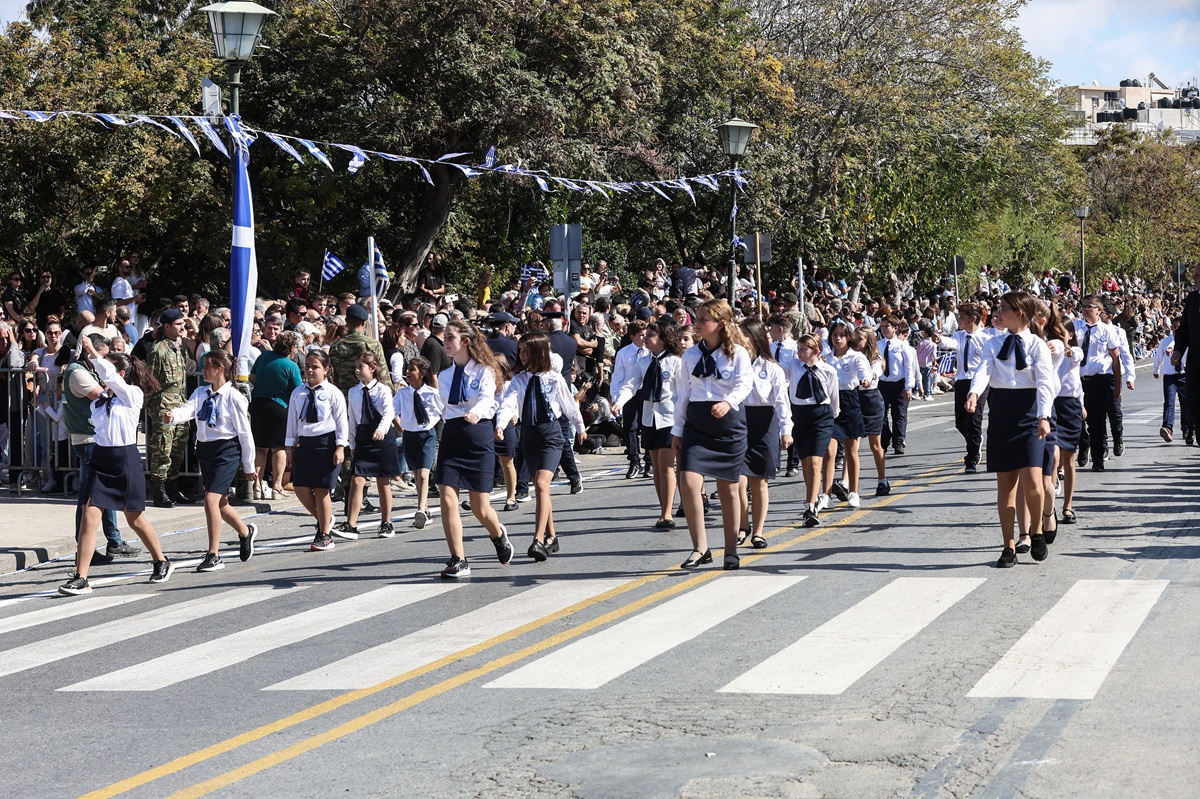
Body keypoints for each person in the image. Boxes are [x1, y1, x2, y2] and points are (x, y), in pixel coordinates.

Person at [58, 338, 174, 595]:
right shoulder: (99, 401)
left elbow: (109, 376)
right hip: (102, 458)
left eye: (107, 370)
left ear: (120, 374)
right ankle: (81, 577)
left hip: (125, 459)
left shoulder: (133, 395)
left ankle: (161, 560)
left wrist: (91, 351)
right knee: (89, 516)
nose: (101, 374)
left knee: (135, 518)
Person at [966, 291, 1055, 568]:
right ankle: (1009, 546)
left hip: (1029, 413)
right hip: (1002, 412)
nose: (998, 312)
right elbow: (983, 370)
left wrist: (1044, 416)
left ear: (1019, 313)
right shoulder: (994, 343)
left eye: (1003, 308)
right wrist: (974, 393)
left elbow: (1045, 383)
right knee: (1005, 484)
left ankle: (1037, 531)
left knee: (1033, 481)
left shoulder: (1037, 346)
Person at [672, 299, 753, 571]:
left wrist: (728, 402)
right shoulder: (691, 356)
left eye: (703, 319)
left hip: (727, 424)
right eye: (697, 318)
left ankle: (731, 550)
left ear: (719, 323)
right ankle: (700, 548)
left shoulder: (737, 353)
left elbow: (744, 385)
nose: (696, 323)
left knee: (728, 489)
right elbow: (683, 394)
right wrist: (677, 429)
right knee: (689, 482)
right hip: (696, 424)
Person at [165, 349, 259, 571]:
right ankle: (246, 532)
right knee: (221, 502)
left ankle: (213, 554)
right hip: (206, 450)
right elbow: (189, 410)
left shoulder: (234, 397)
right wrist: (173, 416)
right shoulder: (200, 392)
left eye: (208, 366)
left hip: (226, 451)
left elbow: (245, 433)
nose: (204, 369)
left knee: (210, 499)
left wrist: (248, 464)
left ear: (221, 369)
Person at [433, 320, 513, 578]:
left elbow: (488, 399)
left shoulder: (484, 371)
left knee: (480, 507)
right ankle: (458, 558)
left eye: (450, 337)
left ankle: (498, 534)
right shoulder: (444, 376)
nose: (445, 342)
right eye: (444, 337)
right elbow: (442, 407)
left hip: (477, 434)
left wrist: (476, 413)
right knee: (447, 497)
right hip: (453, 436)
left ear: (465, 341)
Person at [497, 331, 584, 560]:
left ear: (537, 351)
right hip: (529, 435)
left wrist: (581, 427)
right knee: (539, 485)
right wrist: (500, 424)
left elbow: (569, 406)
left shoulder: (554, 378)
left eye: (526, 350)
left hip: (551, 434)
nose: (522, 355)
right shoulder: (519, 379)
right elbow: (508, 404)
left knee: (542, 485)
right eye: (520, 351)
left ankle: (537, 539)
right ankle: (552, 536)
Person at [61, 333, 138, 558]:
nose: (104, 362)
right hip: (87, 440)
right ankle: (84, 547)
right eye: (102, 356)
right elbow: (102, 396)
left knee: (103, 493)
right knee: (88, 496)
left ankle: (113, 540)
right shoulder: (77, 373)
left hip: (96, 438)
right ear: (90, 353)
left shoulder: (86, 369)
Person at [615, 321, 682, 530]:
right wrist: (619, 401)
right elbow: (631, 384)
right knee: (655, 465)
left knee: (666, 464)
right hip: (649, 416)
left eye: (651, 334)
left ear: (662, 338)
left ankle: (668, 512)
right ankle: (663, 509)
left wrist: (684, 420)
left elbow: (683, 394)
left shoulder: (675, 362)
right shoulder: (643, 361)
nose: (646, 338)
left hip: (669, 417)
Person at [285, 349, 350, 552]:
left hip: (326, 443)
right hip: (305, 444)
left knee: (322, 489)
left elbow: (341, 422)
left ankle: (324, 534)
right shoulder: (298, 392)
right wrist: (289, 448)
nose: (310, 371)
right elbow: (292, 422)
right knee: (300, 487)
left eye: (315, 367)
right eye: (307, 367)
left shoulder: (332, 393)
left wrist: (340, 446)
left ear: (326, 369)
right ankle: (324, 518)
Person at [736, 317, 791, 548]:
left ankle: (758, 531)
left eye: (745, 335)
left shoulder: (771, 368)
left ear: (756, 338)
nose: (740, 339)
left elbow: (781, 402)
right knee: (736, 480)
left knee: (759, 481)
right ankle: (742, 524)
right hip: (739, 420)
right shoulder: (734, 364)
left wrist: (786, 430)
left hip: (764, 422)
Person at [340, 352, 399, 538]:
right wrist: (351, 441)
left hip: (382, 438)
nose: (357, 370)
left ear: (372, 369)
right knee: (357, 480)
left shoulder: (383, 390)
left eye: (361, 367)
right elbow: (352, 419)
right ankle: (351, 524)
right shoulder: (354, 392)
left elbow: (389, 412)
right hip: (364, 437)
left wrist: (381, 429)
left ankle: (386, 522)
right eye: (356, 367)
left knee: (383, 482)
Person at [789, 333, 840, 526]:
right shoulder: (794, 366)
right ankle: (812, 494)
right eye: (798, 349)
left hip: (822, 415)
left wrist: (831, 417)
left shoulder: (828, 371)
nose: (799, 353)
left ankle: (810, 506)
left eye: (803, 349)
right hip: (800, 415)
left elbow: (834, 399)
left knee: (815, 461)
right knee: (805, 462)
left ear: (815, 351)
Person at [145, 308, 193, 507]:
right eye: (178, 324)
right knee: (162, 450)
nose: (183, 327)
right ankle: (159, 491)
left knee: (177, 449)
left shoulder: (178, 348)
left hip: (179, 406)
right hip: (164, 407)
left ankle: (173, 488)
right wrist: (152, 409)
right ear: (166, 327)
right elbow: (151, 382)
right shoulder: (158, 350)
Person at [823, 320, 870, 510]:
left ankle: (854, 492)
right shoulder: (825, 357)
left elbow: (863, 372)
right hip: (830, 403)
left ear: (849, 337)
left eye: (842, 335)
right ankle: (825, 495)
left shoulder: (856, 357)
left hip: (849, 401)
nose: (838, 339)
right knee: (829, 452)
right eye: (834, 335)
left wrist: (865, 379)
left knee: (851, 451)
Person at [250, 331, 303, 499]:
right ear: (292, 347)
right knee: (278, 448)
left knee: (260, 447)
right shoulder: (291, 365)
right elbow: (298, 389)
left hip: (258, 404)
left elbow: (252, 377)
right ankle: (277, 486)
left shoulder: (263, 357)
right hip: (280, 407)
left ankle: (256, 486)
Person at [1073, 294, 1122, 472]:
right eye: (1083, 306)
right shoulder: (1075, 327)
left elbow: (1115, 358)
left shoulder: (1107, 331)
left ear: (1099, 310)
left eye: (1089, 307)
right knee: (1076, 419)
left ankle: (1098, 460)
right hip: (1077, 380)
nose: (1085, 309)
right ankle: (1083, 442)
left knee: (1097, 421)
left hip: (1099, 380)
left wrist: (1118, 385)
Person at [394, 356, 443, 529]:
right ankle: (426, 510)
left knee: (424, 474)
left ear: (422, 373)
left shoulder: (432, 393)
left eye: (412, 369)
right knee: (416, 475)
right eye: (407, 369)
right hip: (410, 436)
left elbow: (444, 412)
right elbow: (393, 412)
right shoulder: (403, 393)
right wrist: (400, 427)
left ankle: (421, 508)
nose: (407, 372)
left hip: (427, 436)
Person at [951, 303, 992, 473]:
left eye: (962, 317)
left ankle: (972, 458)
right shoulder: (959, 335)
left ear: (973, 319)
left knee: (974, 419)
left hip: (980, 382)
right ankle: (974, 440)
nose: (959, 320)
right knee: (960, 422)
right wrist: (939, 340)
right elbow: (950, 343)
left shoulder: (986, 338)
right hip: (962, 380)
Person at [610, 319, 653, 479]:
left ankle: (649, 461)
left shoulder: (650, 352)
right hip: (629, 393)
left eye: (646, 335)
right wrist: (616, 398)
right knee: (630, 427)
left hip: (646, 392)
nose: (644, 338)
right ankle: (634, 460)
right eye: (641, 335)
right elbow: (618, 377)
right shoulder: (624, 353)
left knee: (647, 426)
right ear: (632, 336)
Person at [853, 327, 889, 496]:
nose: (856, 342)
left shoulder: (875, 359)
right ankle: (848, 485)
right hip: (854, 399)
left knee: (875, 445)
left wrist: (869, 378)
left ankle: (882, 480)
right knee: (852, 444)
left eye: (860, 339)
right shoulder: (850, 356)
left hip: (871, 400)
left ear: (868, 341)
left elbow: (875, 372)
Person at [876, 315, 914, 455]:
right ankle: (885, 440)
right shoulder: (879, 345)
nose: (884, 329)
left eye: (888, 326)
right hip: (883, 383)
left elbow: (908, 366)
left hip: (899, 383)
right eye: (883, 326)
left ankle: (898, 441)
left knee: (899, 413)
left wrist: (908, 386)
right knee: (881, 413)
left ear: (895, 328)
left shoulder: (903, 345)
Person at [1153, 317, 1192, 444]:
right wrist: (1156, 369)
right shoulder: (1165, 342)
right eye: (1174, 327)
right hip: (1170, 377)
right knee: (1169, 402)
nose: (1176, 330)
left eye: (1179, 327)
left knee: (1186, 404)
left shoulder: (1188, 342)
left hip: (1184, 376)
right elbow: (1159, 357)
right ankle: (1167, 428)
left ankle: (1186, 429)